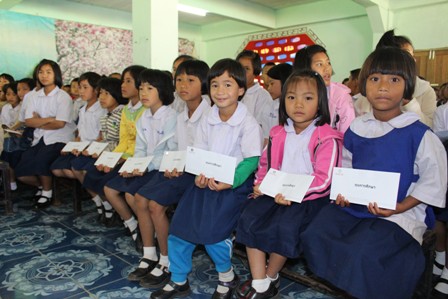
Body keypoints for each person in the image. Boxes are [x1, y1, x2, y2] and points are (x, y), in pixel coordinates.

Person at [300, 47, 447, 299]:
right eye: (375, 79)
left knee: (364, 252)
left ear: (408, 88)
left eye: (394, 80)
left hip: (398, 214)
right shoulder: (358, 127)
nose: (383, 87)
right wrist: (343, 192)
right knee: (316, 231)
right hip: (356, 206)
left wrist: (400, 206)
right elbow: (346, 165)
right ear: (364, 85)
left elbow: (434, 181)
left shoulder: (419, 134)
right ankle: (346, 285)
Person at [151, 58, 263, 299]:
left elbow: (251, 160)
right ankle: (179, 279)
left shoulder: (248, 123)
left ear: (241, 90)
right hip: (202, 184)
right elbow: (198, 153)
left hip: (232, 187)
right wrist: (198, 175)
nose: (220, 91)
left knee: (214, 234)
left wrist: (230, 181)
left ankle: (227, 276)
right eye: (214, 85)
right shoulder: (208, 119)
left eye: (228, 85)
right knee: (180, 229)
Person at [235, 69, 342, 298]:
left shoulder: (327, 137)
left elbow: (324, 180)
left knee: (284, 228)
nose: (298, 104)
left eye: (308, 98)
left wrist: (295, 194)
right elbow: (265, 165)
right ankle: (260, 283)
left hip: (308, 199)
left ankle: (271, 275)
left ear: (320, 102)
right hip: (276, 193)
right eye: (291, 97)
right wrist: (261, 183)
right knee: (249, 218)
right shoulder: (277, 133)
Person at [129, 60, 210, 288]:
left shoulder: (209, 113)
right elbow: (178, 148)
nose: (183, 85)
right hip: (179, 168)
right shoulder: (183, 113)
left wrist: (179, 164)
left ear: (204, 83)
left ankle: (166, 260)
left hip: (198, 173)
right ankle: (149, 254)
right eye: (180, 79)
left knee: (155, 205)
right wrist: (175, 163)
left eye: (190, 80)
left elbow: (204, 153)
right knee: (139, 198)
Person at [103, 69, 177, 251]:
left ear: (163, 90)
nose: (143, 93)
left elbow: (171, 152)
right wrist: (134, 165)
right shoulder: (144, 116)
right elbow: (140, 148)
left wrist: (146, 166)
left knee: (136, 197)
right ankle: (148, 248)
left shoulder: (171, 117)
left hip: (162, 169)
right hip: (147, 167)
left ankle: (158, 247)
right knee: (125, 192)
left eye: (149, 88)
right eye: (141, 88)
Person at [82, 65, 146, 226]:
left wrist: (120, 159)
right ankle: (126, 220)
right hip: (124, 156)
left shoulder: (145, 110)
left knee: (108, 184)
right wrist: (112, 158)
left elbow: (139, 142)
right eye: (123, 81)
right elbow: (123, 140)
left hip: (138, 158)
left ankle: (135, 223)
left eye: (128, 81)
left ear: (140, 84)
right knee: (93, 172)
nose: (123, 85)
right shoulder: (126, 110)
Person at [14, 59, 76, 209]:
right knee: (22, 170)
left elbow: (60, 124)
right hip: (39, 137)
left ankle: (47, 193)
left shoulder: (63, 97)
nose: (44, 76)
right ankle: (42, 186)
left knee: (42, 158)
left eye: (49, 72)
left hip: (60, 138)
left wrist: (39, 121)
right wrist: (49, 119)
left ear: (56, 75)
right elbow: (28, 121)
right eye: (41, 72)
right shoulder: (34, 96)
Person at [354, 29, 437, 128]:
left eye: (395, 80)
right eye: (375, 79)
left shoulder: (425, 90)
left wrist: (410, 105)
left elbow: (431, 128)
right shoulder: (363, 99)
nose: (413, 60)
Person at [71, 77, 127, 221]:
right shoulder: (106, 115)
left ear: (116, 94)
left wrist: (100, 151)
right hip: (104, 152)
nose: (101, 97)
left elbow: (121, 141)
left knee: (93, 173)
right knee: (82, 168)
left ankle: (115, 211)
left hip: (118, 155)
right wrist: (93, 149)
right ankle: (104, 203)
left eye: (106, 94)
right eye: (101, 93)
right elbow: (102, 138)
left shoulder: (122, 114)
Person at [51, 72, 105, 180]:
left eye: (85, 88)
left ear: (96, 89)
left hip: (93, 150)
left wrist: (86, 149)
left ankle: (94, 196)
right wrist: (71, 147)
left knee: (72, 170)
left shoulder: (101, 110)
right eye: (80, 87)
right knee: (56, 169)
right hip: (81, 148)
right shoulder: (82, 109)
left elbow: (101, 137)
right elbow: (79, 135)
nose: (81, 91)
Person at [293, 45, 355, 133]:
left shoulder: (340, 96)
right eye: (319, 64)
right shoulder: (294, 95)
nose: (327, 69)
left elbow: (348, 136)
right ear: (305, 68)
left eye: (328, 63)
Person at [260, 63, 293, 146]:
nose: (269, 88)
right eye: (268, 85)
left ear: (285, 81)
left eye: (272, 83)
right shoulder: (268, 107)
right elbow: (266, 138)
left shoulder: (297, 107)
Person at [236, 50, 272, 125]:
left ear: (255, 72)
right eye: (239, 68)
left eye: (246, 69)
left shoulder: (262, 96)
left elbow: (260, 126)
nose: (241, 72)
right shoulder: (231, 93)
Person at [0, 83, 23, 191]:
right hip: (8, 135)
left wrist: (15, 130)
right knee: (6, 149)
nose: (11, 97)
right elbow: (3, 124)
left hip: (21, 137)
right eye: (8, 94)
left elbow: (24, 123)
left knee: (10, 150)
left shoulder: (23, 106)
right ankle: (10, 181)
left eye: (14, 94)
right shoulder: (5, 107)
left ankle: (11, 181)